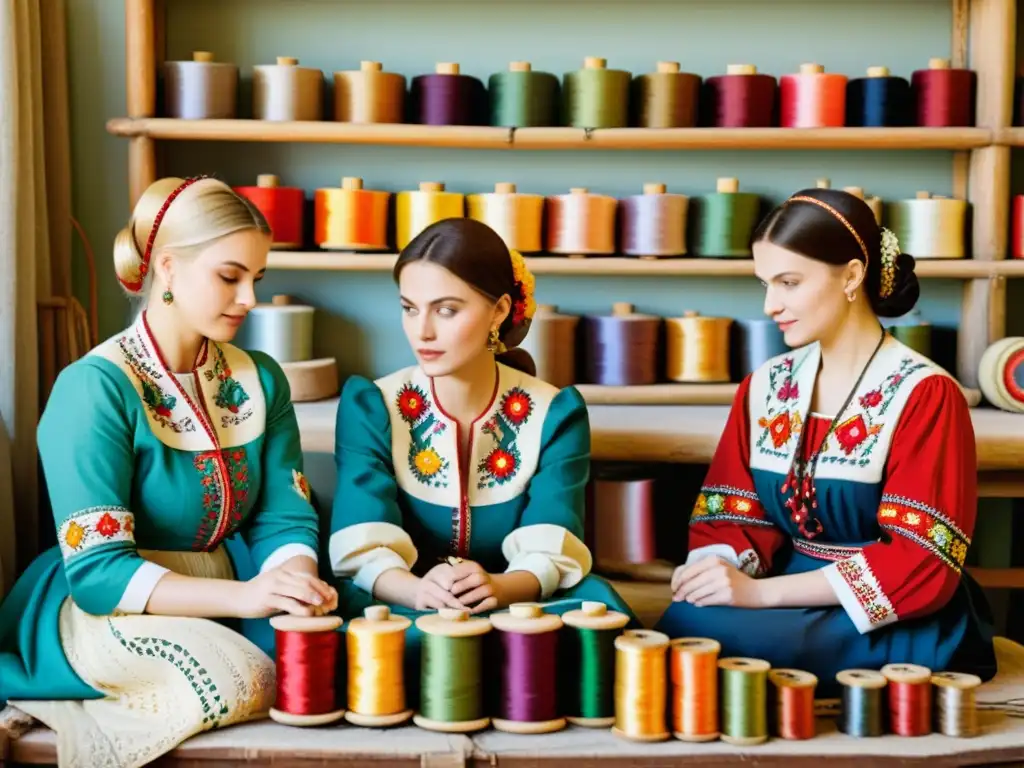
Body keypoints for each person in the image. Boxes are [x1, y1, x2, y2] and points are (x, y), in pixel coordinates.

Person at [0, 176, 336, 767]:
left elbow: (283, 515)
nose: (249, 299)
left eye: (257, 278)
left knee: (331, 657)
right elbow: (100, 576)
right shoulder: (96, 387)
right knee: (242, 681)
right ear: (169, 268)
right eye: (230, 276)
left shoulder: (260, 378)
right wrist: (249, 596)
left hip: (237, 586)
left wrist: (292, 584)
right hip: (113, 607)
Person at [655, 187, 997, 695]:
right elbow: (735, 512)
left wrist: (758, 596)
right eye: (766, 284)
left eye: (789, 283)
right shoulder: (766, 386)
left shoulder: (925, 394)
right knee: (688, 621)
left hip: (890, 608)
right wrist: (718, 569)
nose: (772, 305)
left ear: (853, 275)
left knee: (709, 641)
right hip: (784, 581)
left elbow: (921, 560)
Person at [327, 217, 636, 679]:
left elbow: (554, 536)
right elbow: (362, 540)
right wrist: (416, 593)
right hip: (400, 602)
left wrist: (502, 586)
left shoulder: (556, 412)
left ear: (499, 311)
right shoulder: (372, 406)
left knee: (597, 616)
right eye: (409, 309)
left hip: (518, 603)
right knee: (352, 636)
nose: (422, 332)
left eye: (446, 310)